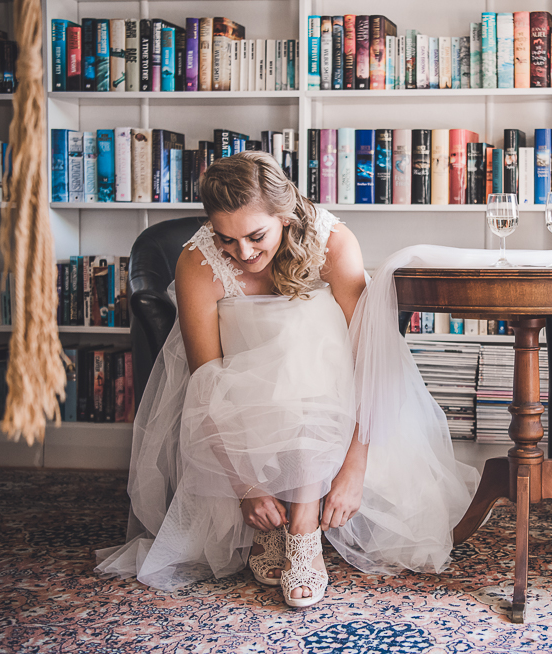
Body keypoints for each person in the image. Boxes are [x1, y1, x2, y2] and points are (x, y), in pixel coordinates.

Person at [96, 151, 479, 608]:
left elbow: (371, 362)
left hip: (334, 405)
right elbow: (207, 382)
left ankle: (302, 528)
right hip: (240, 420)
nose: (243, 253)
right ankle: (276, 516)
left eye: (256, 236)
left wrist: (354, 469)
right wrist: (245, 488)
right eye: (226, 239)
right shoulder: (198, 263)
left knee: (306, 327)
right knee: (279, 353)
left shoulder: (332, 242)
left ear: (285, 214)